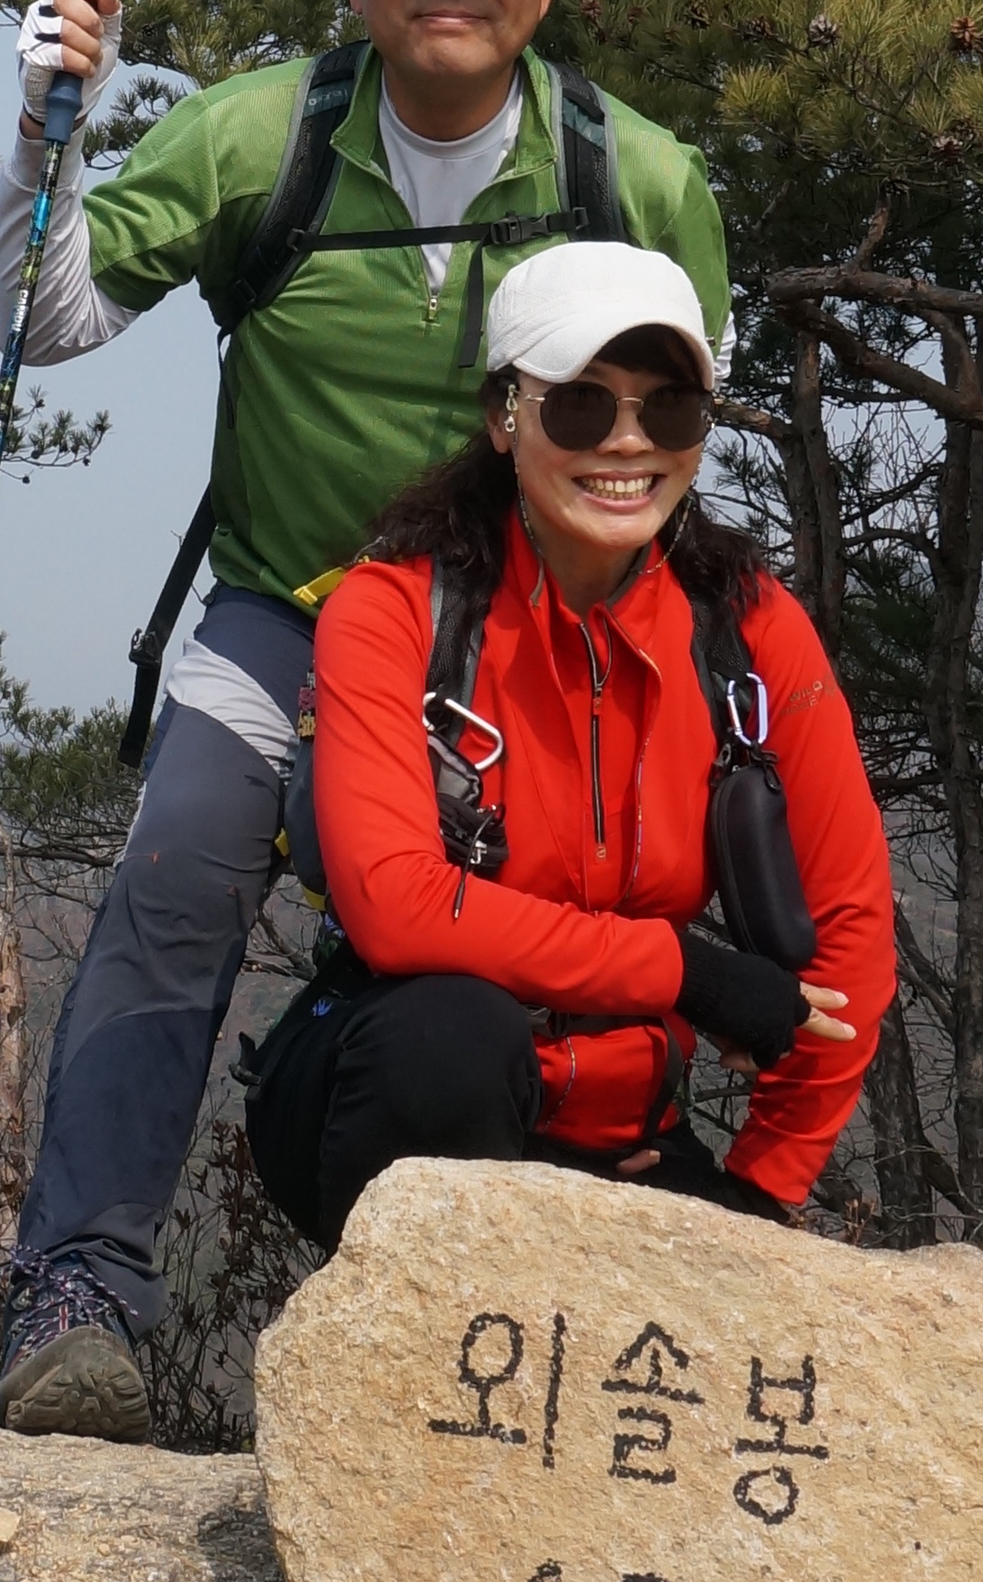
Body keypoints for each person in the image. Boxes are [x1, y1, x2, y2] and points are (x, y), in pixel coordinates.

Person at [0, 0, 732, 1438]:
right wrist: (49, 132)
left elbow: (665, 450)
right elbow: (46, 323)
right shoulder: (260, 141)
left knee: (499, 967)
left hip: (518, 643)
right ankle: (76, 1291)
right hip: (285, 625)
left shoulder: (635, 178)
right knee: (175, 878)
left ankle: (530, 1322)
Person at [244, 237, 893, 1246]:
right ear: (503, 417)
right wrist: (686, 970)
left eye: (668, 408)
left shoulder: (750, 628)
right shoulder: (392, 611)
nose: (628, 443)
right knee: (454, 1036)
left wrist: (763, 1184)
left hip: (629, 1129)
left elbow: (851, 928)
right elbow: (399, 910)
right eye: (581, 405)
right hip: (398, 1090)